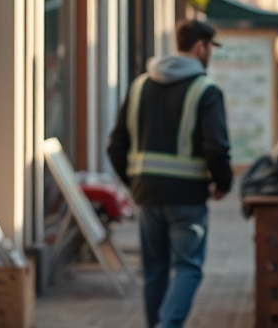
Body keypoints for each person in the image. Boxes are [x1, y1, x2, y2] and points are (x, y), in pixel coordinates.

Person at [107, 19, 232, 328]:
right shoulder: (206, 90)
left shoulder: (139, 86)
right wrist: (223, 183)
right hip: (187, 196)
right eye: (210, 49)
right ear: (200, 47)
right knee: (188, 267)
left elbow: (115, 146)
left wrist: (134, 182)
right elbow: (216, 148)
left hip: (147, 194)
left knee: (155, 270)